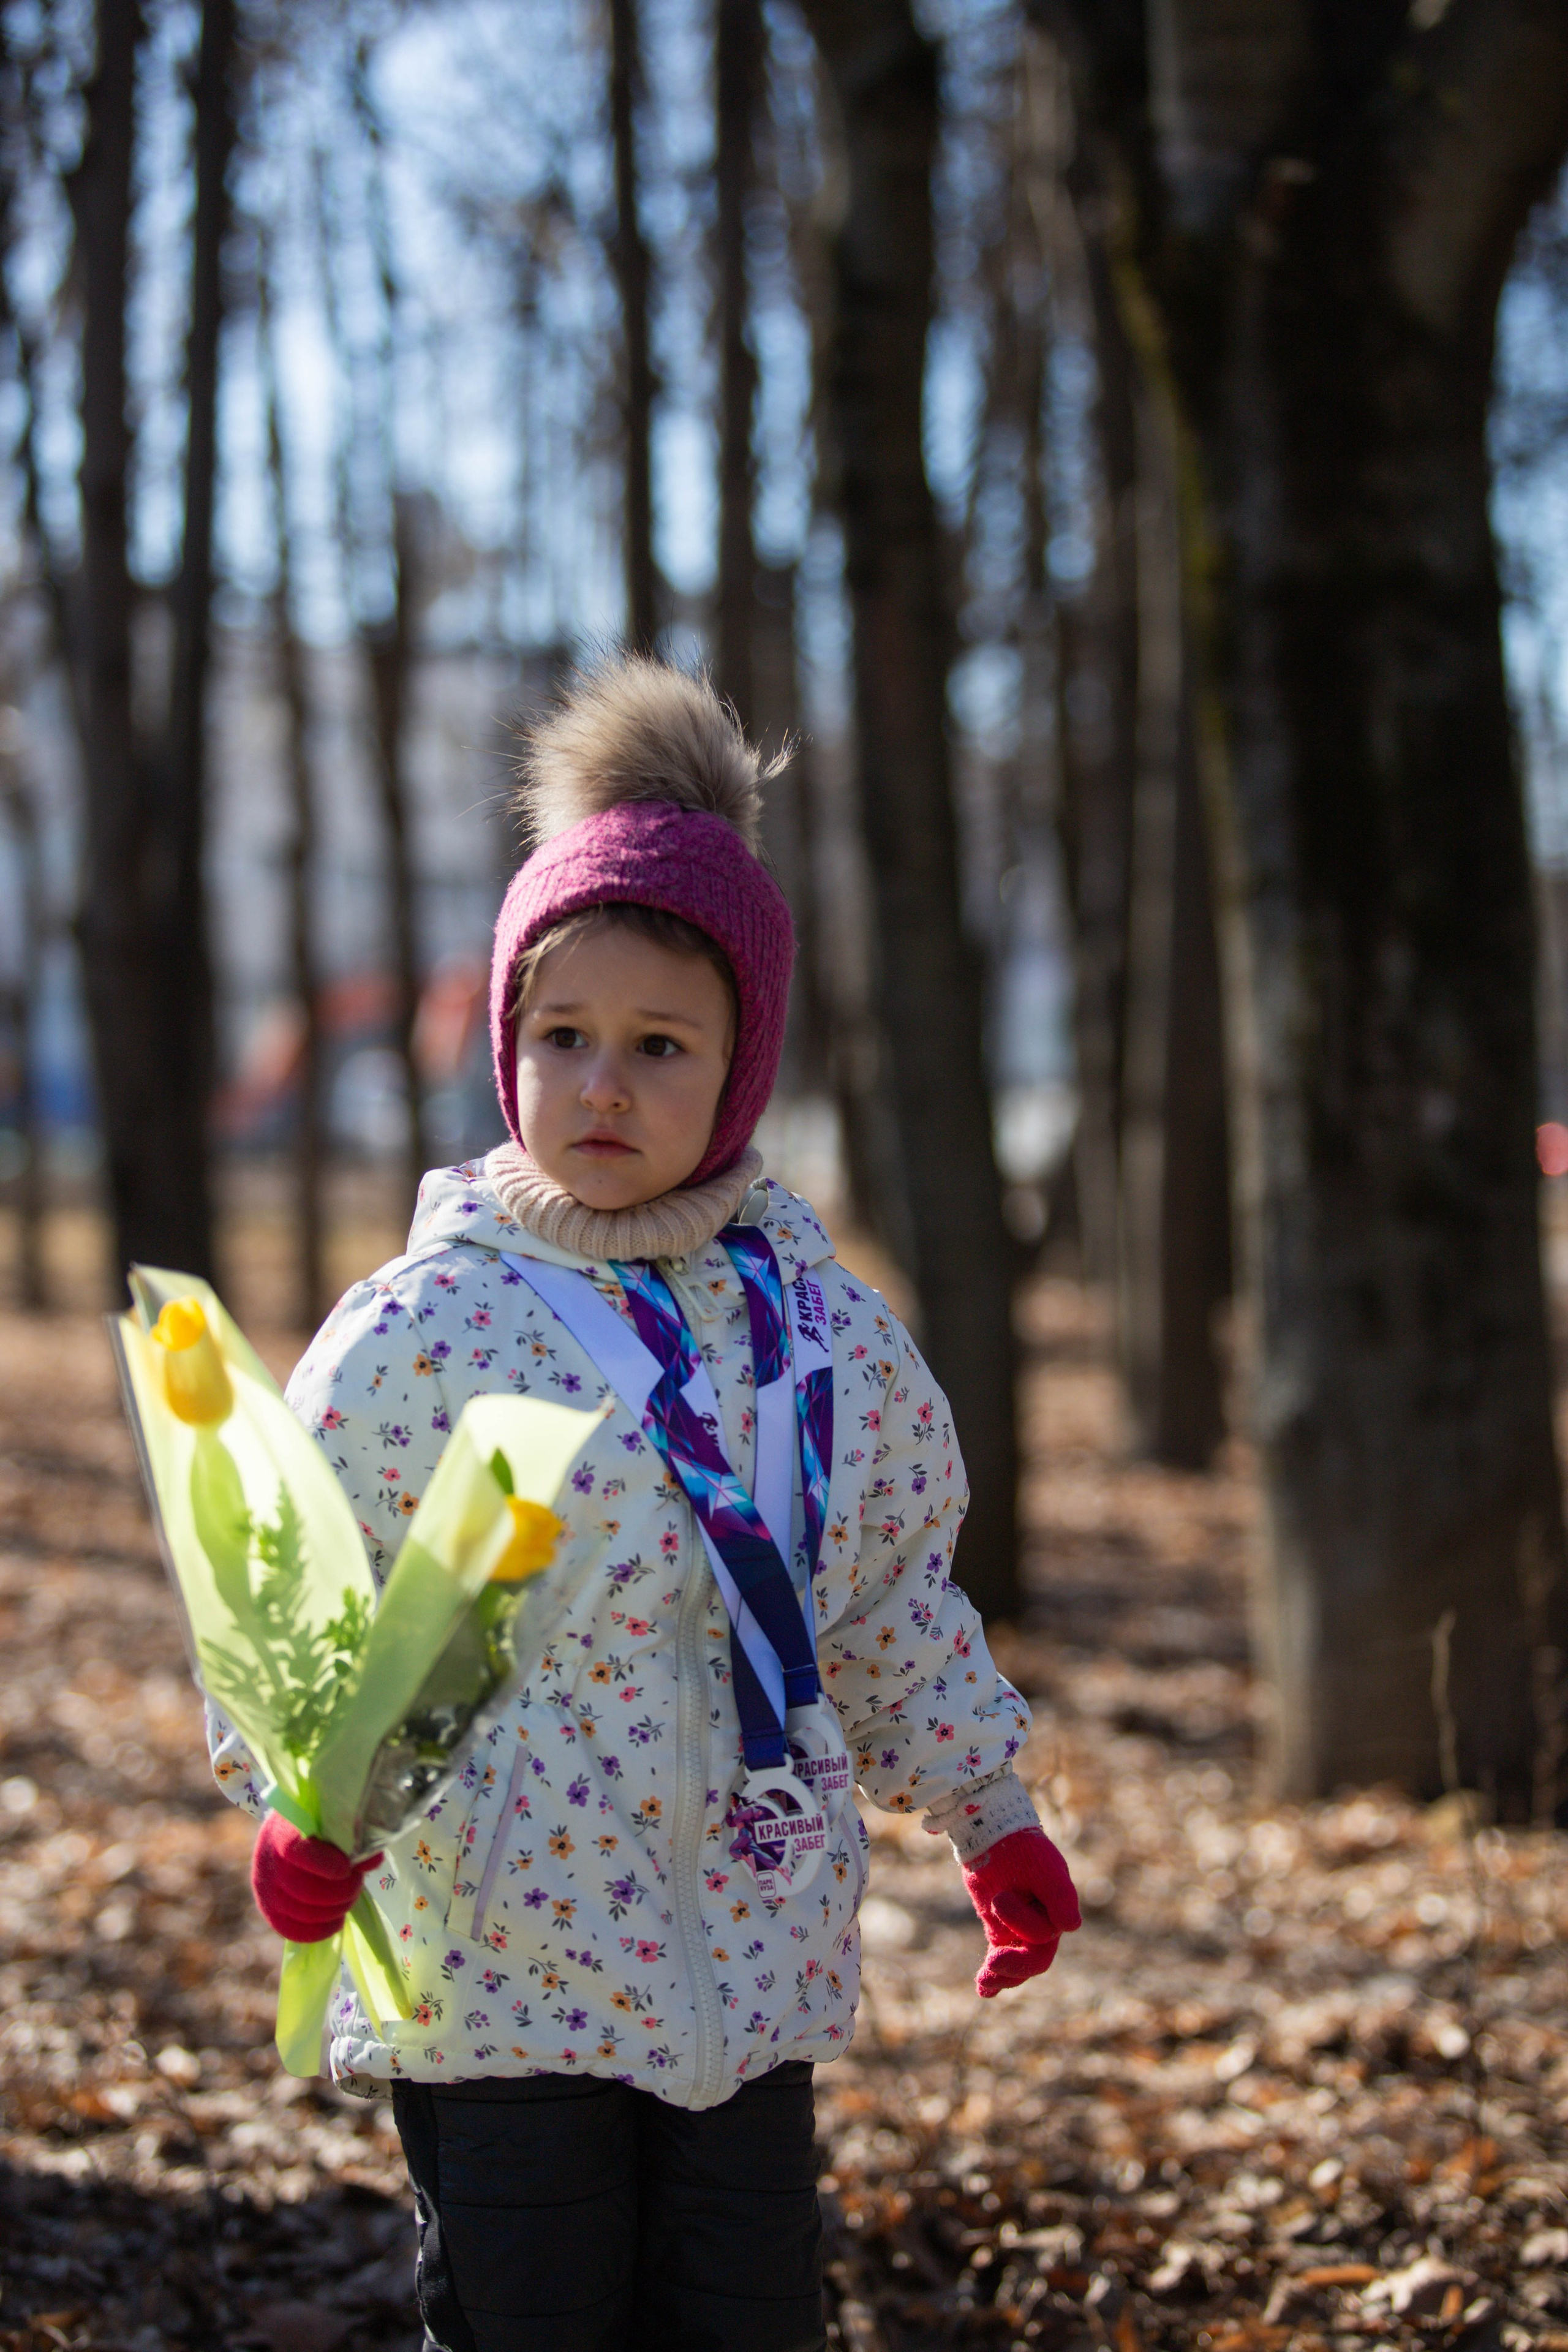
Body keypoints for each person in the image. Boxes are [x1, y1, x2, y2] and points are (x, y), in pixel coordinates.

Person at [211, 654, 1081, 2352]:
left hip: (747, 1971)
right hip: (500, 1969)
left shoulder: (817, 1329)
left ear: (744, 1069)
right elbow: (302, 1586)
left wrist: (992, 1806)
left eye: (660, 1045)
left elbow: (888, 1597)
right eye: (563, 1037)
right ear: (503, 1044)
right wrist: (309, 1796)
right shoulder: (430, 1326)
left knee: (744, 2319)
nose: (602, 1084)